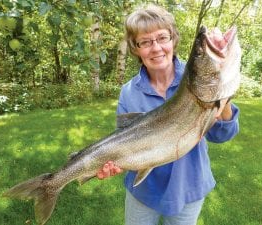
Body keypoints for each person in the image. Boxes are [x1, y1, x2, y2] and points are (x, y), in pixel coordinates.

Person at [96, 4, 240, 225]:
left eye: (162, 38)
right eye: (145, 42)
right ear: (136, 48)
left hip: (189, 187)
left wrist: (223, 102)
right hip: (143, 191)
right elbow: (123, 140)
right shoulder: (128, 91)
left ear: (173, 39)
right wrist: (114, 163)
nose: (156, 48)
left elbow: (222, 136)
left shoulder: (196, 82)